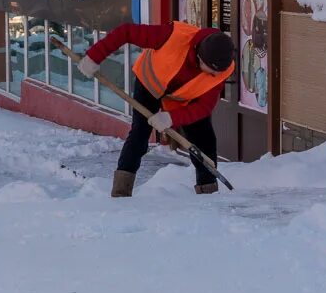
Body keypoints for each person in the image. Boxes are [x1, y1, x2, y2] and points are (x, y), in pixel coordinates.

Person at [78, 21, 235, 197]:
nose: (212, 76)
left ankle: (209, 192)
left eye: (216, 73)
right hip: (149, 85)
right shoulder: (172, 36)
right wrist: (94, 56)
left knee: (204, 139)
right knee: (140, 134)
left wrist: (172, 118)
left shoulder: (222, 68)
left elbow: (204, 107)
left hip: (184, 98)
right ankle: (121, 192)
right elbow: (126, 32)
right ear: (199, 55)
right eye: (209, 70)